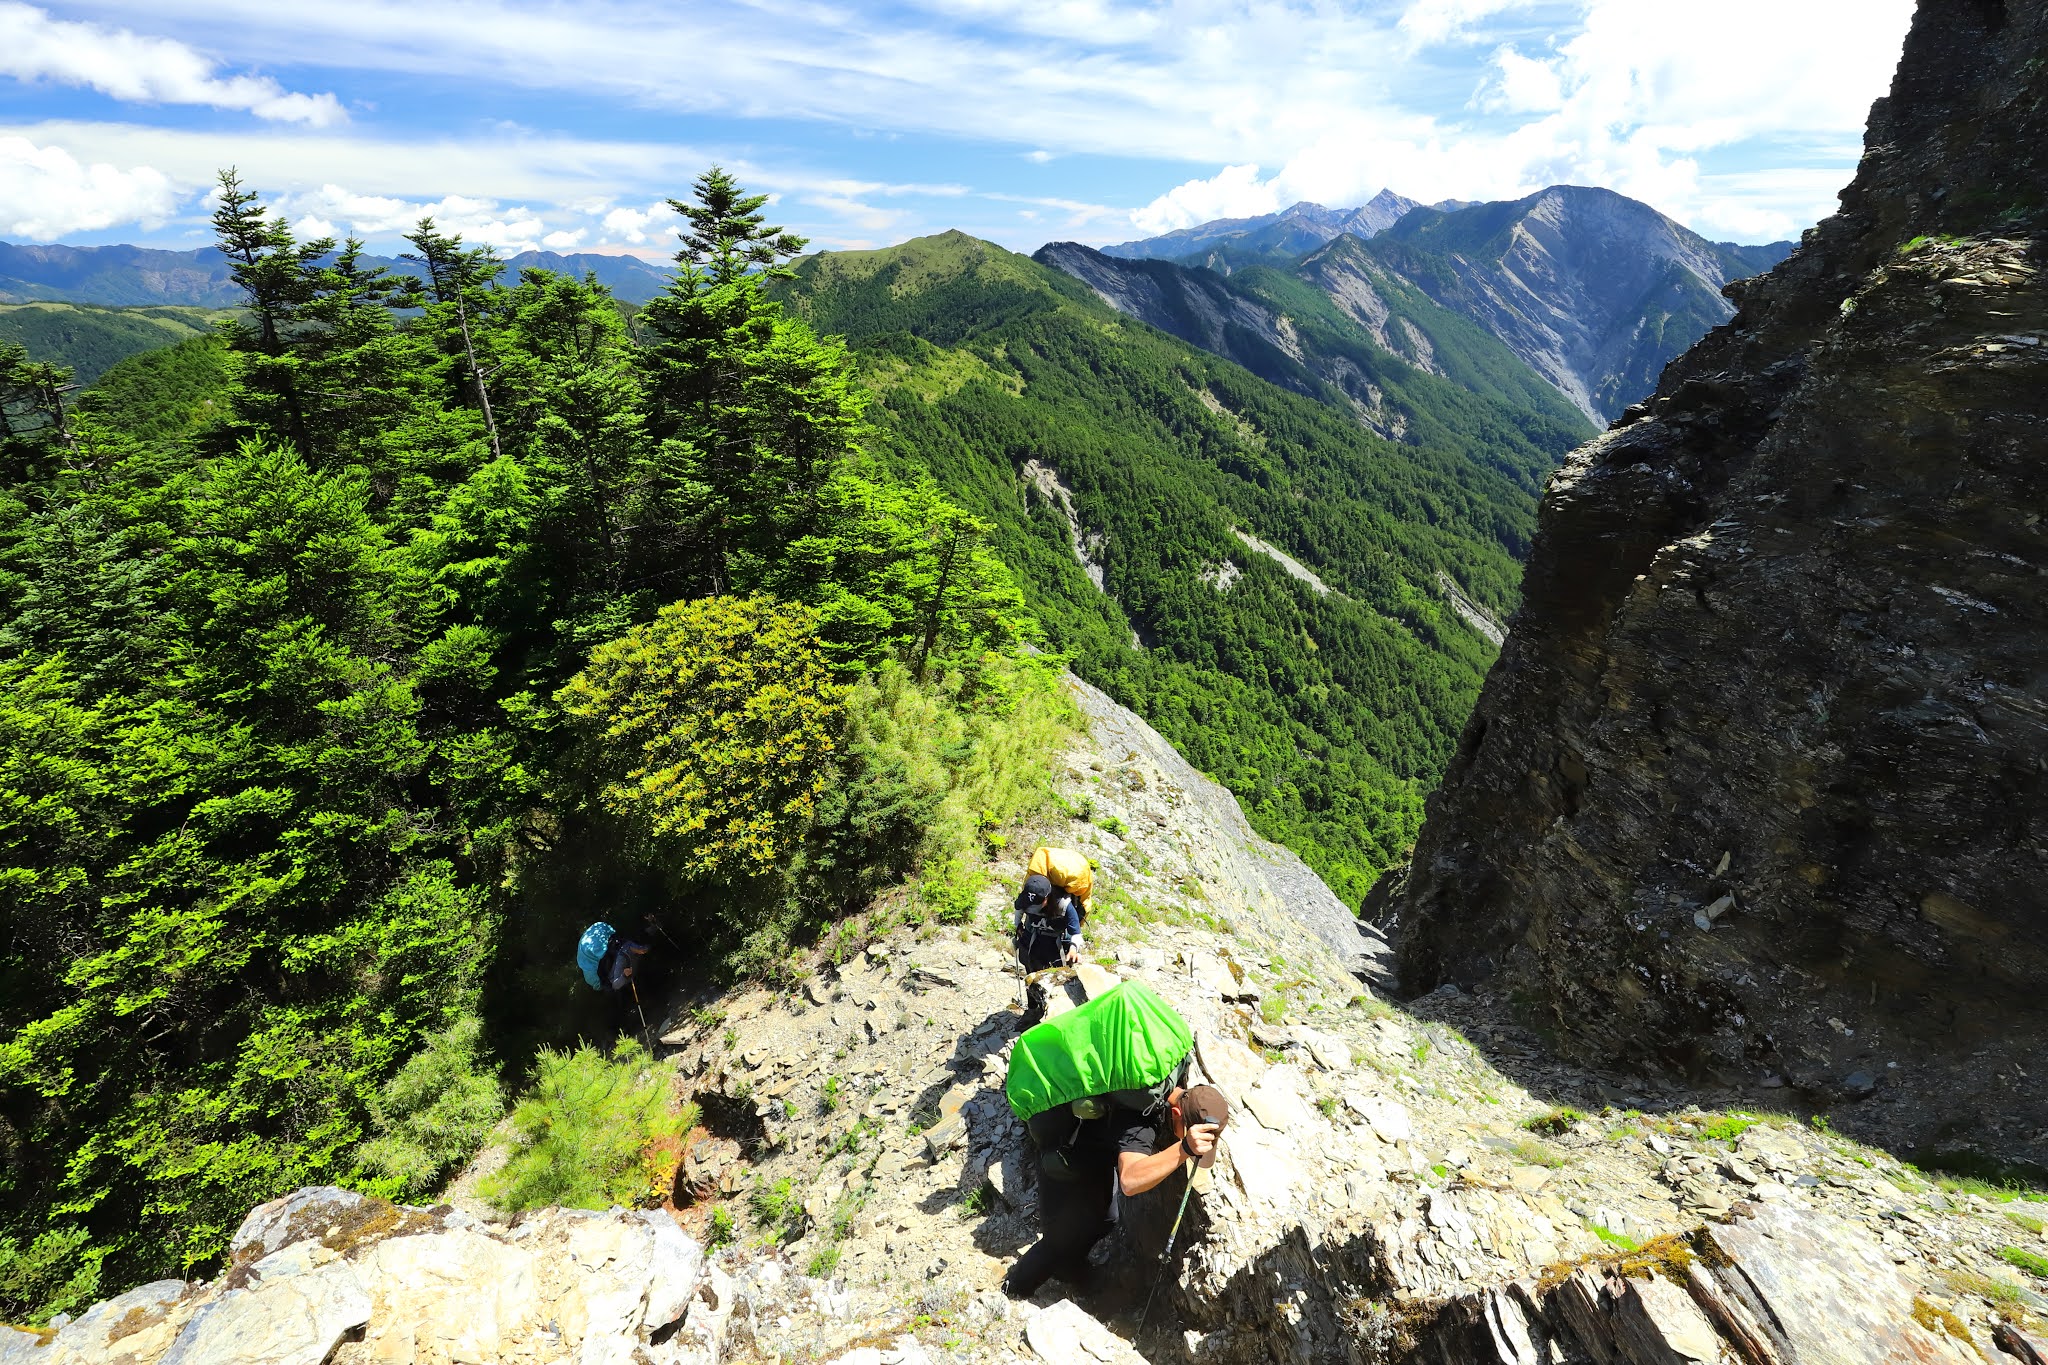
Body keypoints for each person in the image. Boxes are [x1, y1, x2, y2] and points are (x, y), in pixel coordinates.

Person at [1002, 1084, 1230, 1300]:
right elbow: (1130, 1181)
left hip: (1091, 1154)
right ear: (1178, 1114)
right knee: (1059, 1240)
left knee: (1106, 1218)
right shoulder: (1141, 1120)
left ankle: (1071, 1270)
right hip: (1061, 1158)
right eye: (1185, 1132)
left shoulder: (1167, 1087)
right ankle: (1015, 1289)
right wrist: (1184, 1149)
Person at [1014, 845, 1093, 971]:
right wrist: (1018, 925)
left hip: (1058, 944)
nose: (1033, 907)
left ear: (1047, 898)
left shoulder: (1064, 905)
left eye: (1038, 903)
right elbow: (1018, 910)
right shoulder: (1026, 897)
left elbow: (1076, 934)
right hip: (1034, 939)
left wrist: (1073, 949)